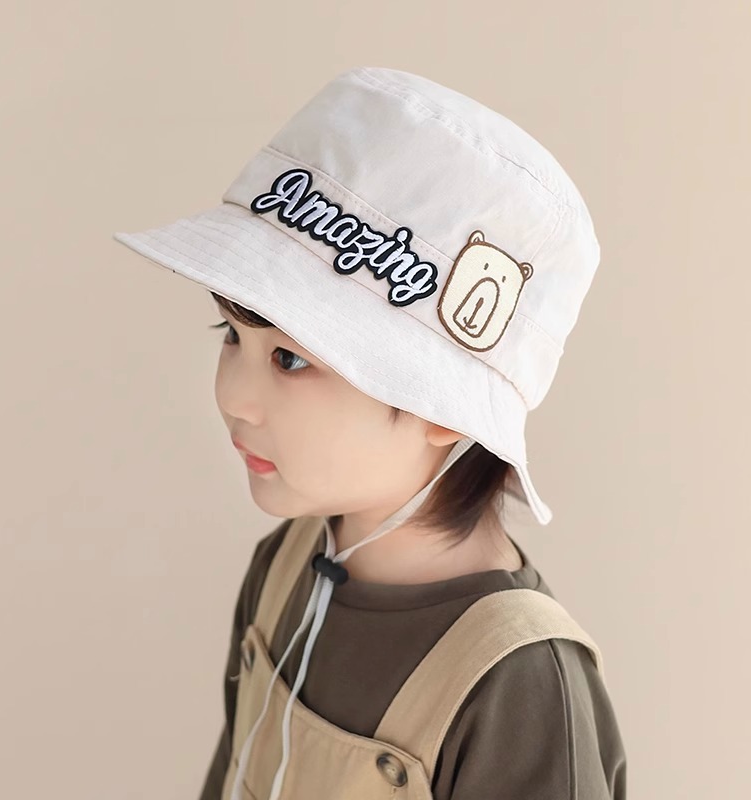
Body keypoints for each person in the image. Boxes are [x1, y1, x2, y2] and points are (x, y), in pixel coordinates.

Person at [112, 66, 627, 800]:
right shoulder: (287, 566)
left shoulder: (521, 687)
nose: (232, 397)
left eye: (290, 359)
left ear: (443, 409)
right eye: (231, 335)